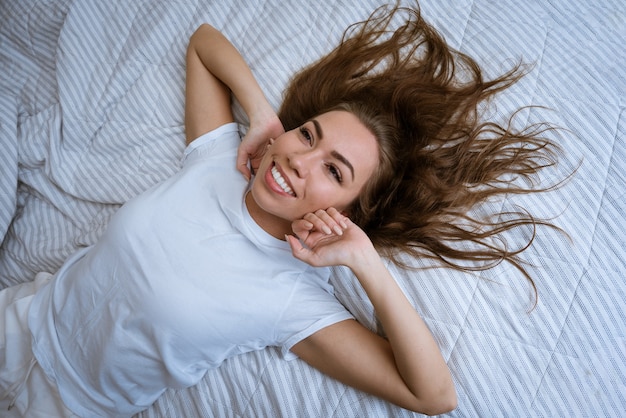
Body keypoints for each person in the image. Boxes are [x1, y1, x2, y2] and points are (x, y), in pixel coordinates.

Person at [0, 3, 562, 417]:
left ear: (348, 213)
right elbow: (203, 42)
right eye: (309, 136)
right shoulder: (219, 160)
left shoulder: (290, 299)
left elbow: (434, 395)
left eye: (334, 172)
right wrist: (264, 116)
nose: (300, 159)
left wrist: (366, 263)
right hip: (15, 321)